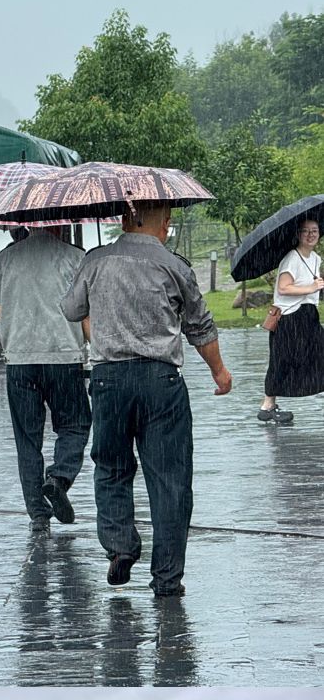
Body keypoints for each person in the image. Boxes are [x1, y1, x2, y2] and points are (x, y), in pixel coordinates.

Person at [62, 201, 231, 595]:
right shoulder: (175, 266)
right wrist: (219, 372)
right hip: (161, 381)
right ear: (166, 223)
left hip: (109, 380)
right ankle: (167, 578)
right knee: (170, 478)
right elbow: (200, 326)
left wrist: (101, 316)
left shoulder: (96, 260)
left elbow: (71, 309)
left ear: (124, 219)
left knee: (111, 467)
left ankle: (121, 545)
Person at [0, 225, 87, 525]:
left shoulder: (7, 258)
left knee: (27, 438)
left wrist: (24, 310)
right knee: (76, 424)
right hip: (63, 356)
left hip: (20, 359)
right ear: (59, 223)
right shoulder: (76, 257)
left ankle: (38, 512)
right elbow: (86, 309)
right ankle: (59, 477)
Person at [260, 215, 323, 425]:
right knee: (281, 361)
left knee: (318, 355)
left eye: (314, 230)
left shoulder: (316, 258)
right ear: (298, 234)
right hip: (290, 318)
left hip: (308, 315)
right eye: (306, 231)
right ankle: (267, 406)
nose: (311, 235)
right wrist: (311, 287)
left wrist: (315, 286)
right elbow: (283, 288)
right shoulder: (291, 258)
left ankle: (270, 404)